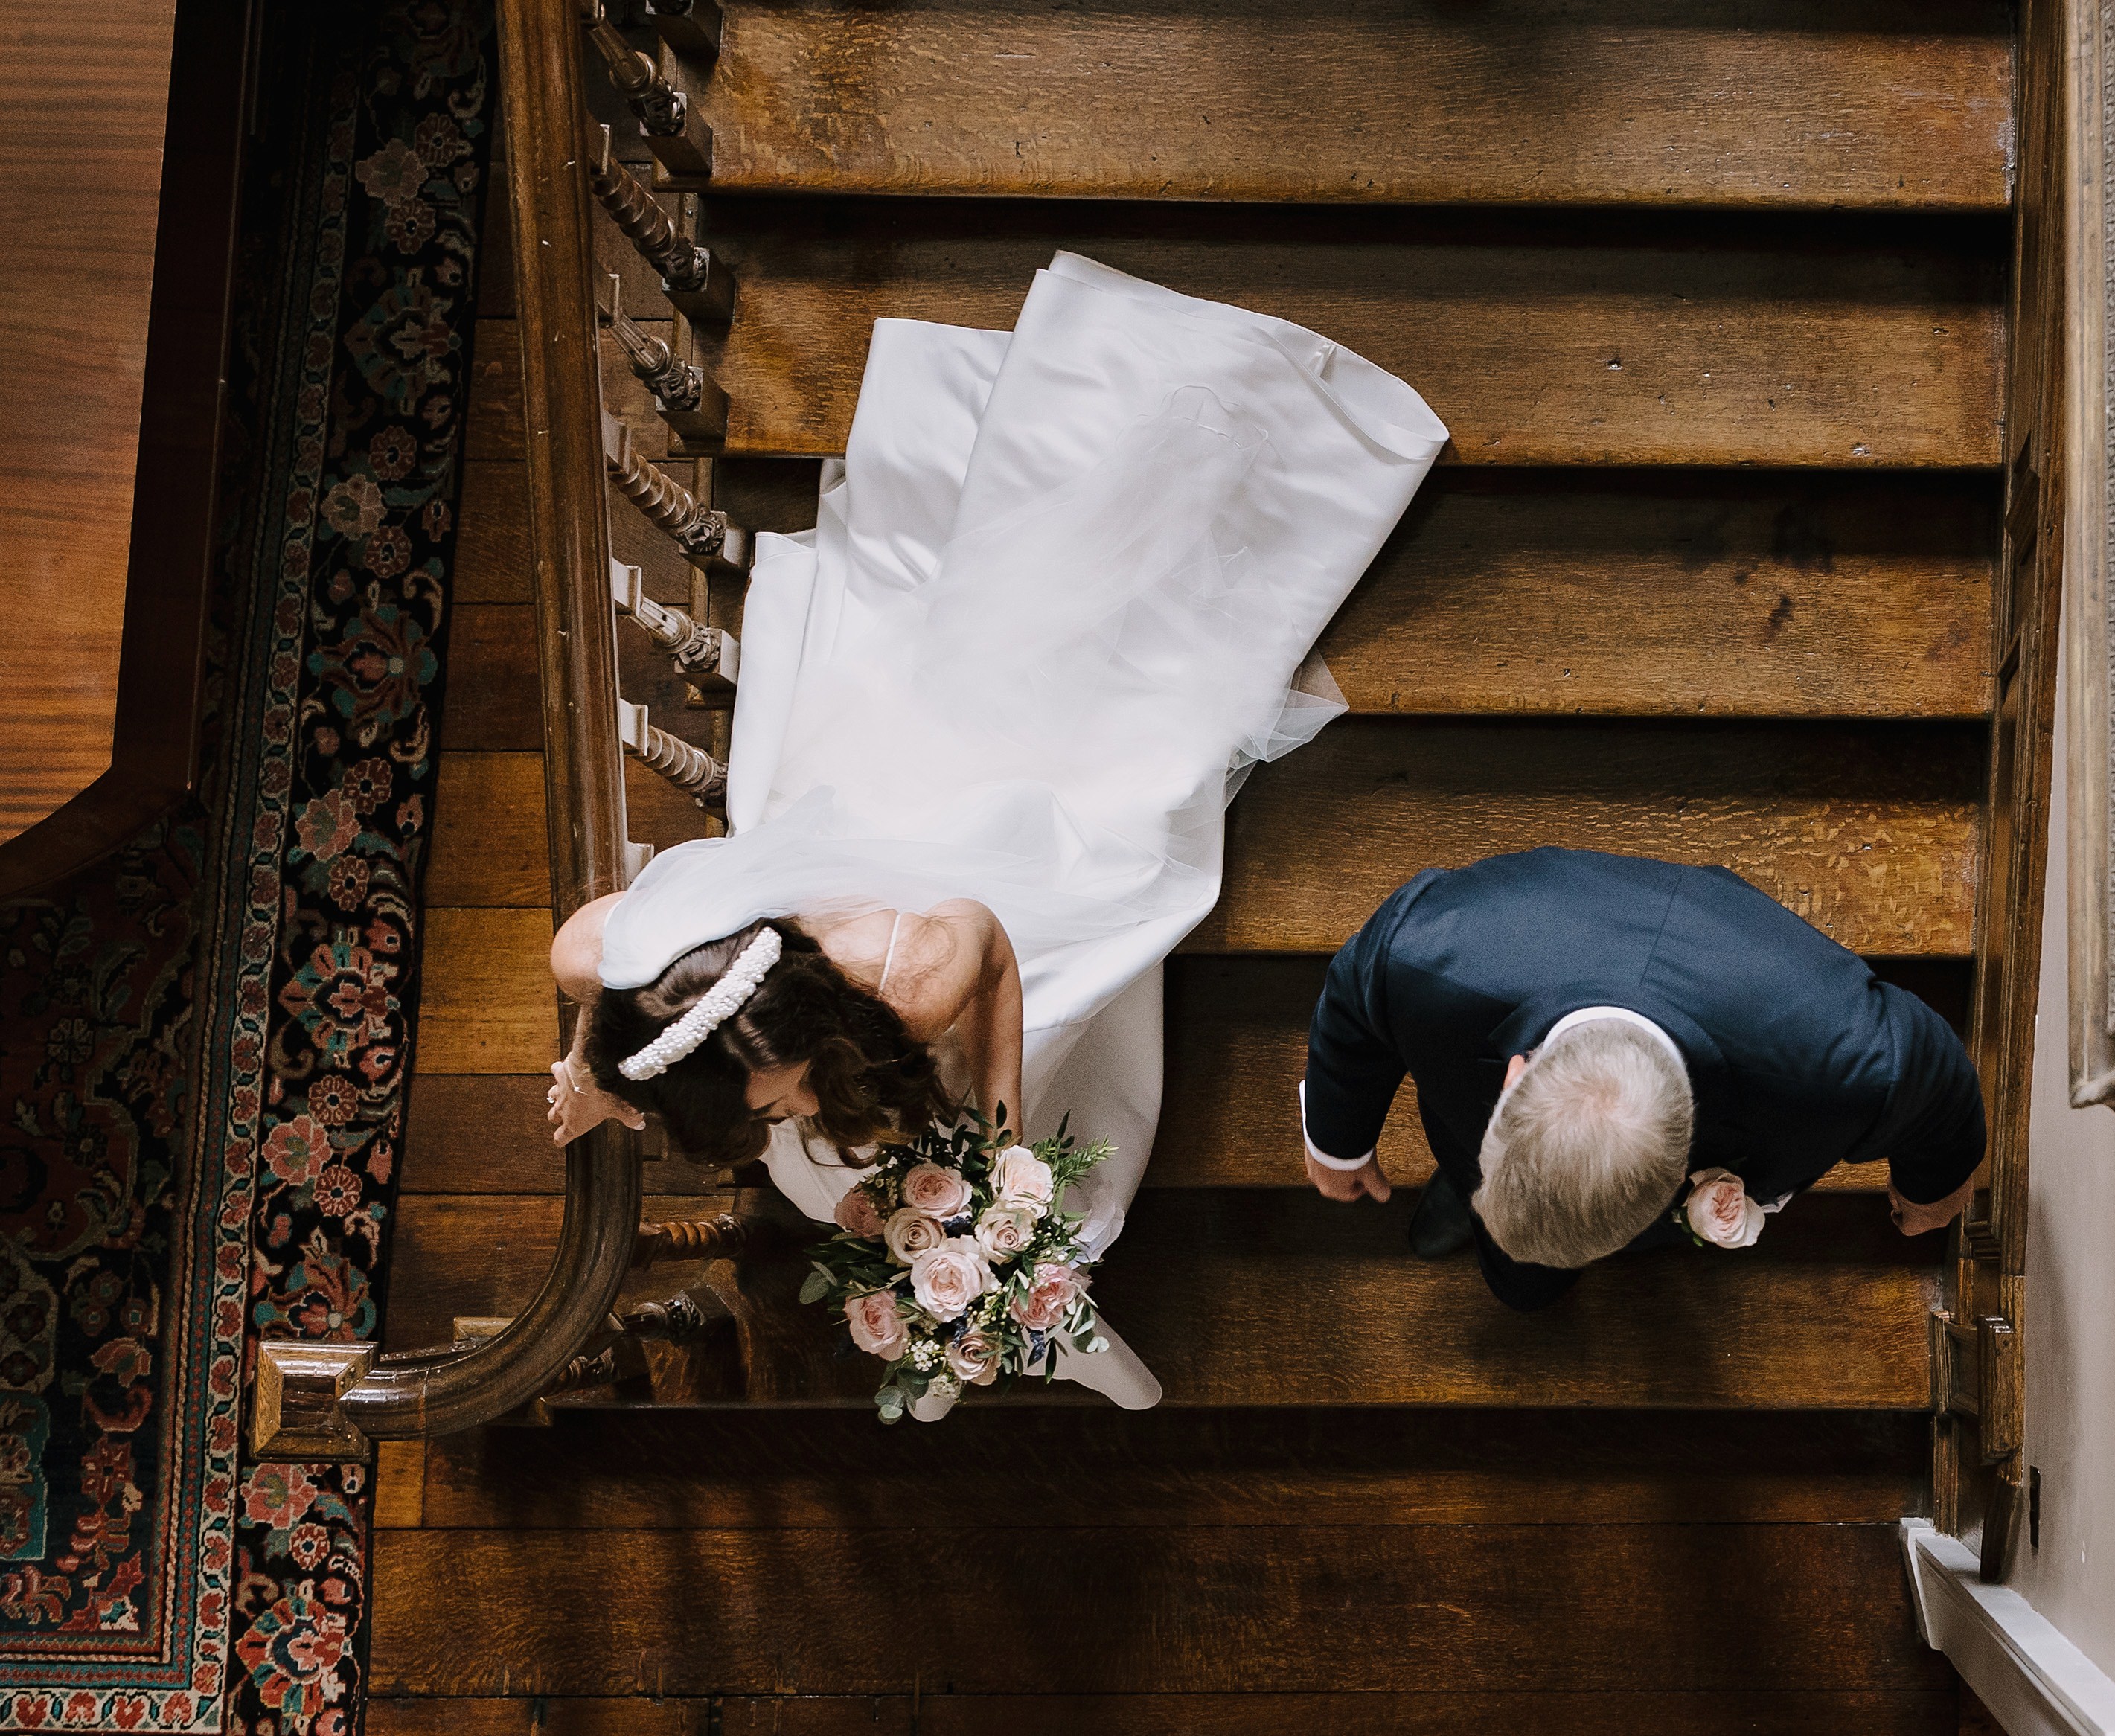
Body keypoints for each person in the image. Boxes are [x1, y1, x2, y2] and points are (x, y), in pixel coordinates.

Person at [543, 253, 1450, 1408]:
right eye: (771, 1109)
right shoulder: (604, 959)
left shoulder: (907, 976)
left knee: (1134, 749)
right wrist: (591, 1069)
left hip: (979, 840)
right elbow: (601, 982)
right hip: (840, 848)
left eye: (779, 1098)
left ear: (805, 1013)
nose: (792, 1115)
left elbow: (999, 945)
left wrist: (1008, 1133)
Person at [1299, 848, 1986, 1311]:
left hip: (1745, 1021)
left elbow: (1938, 1080)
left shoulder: (1839, 1057)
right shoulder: (1428, 953)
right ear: (1514, 1080)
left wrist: (1934, 1187)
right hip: (1504, 1038)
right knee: (1520, 1279)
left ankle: (1536, 1263)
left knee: (1528, 1286)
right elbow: (1356, 994)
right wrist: (1338, 1140)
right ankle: (1481, 1200)